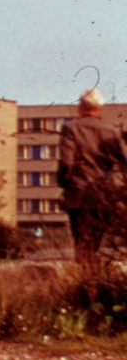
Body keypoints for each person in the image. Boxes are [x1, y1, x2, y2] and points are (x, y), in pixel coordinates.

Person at [58, 88, 127, 263]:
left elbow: (66, 162)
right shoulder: (111, 131)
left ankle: (86, 282)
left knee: (81, 246)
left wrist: (63, 183)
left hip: (78, 196)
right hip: (103, 197)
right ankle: (92, 281)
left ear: (81, 106)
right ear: (100, 108)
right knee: (93, 245)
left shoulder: (70, 128)